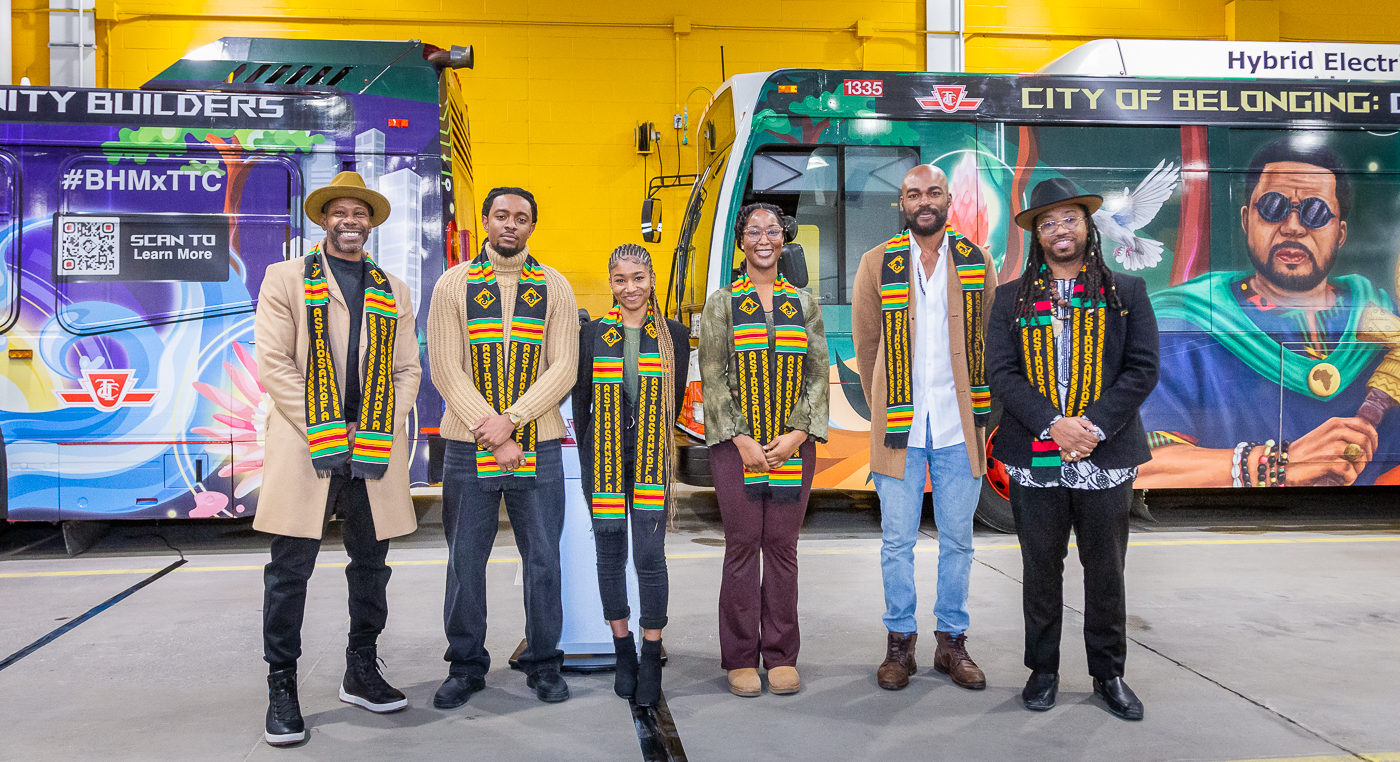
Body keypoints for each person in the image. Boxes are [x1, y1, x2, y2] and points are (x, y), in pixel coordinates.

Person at [253, 171, 422, 746]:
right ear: (324, 219)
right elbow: (274, 364)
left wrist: (376, 425)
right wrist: (328, 426)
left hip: (371, 448)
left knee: (371, 566)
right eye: (339, 212)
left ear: (371, 222)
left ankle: (361, 668)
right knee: (290, 570)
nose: (350, 221)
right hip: (309, 445)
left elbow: (406, 370)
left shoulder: (394, 288)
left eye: (360, 213)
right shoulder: (285, 280)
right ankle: (282, 685)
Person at [986, 178, 1160, 720]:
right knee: (1040, 567)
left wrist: (1093, 427)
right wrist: (1053, 426)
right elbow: (1002, 372)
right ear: (1036, 235)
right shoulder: (1011, 297)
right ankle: (1042, 671)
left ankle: (1108, 674)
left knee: (1105, 568)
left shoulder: (1125, 293)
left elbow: (1142, 370)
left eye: (1069, 218)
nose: (1059, 229)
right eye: (1047, 222)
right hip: (1036, 454)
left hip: (1104, 457)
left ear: (1087, 227)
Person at [1140, 139, 1397, 487]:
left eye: (1315, 212)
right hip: (1231, 532)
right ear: (1247, 221)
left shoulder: (1385, 315)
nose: (1293, 226)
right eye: (1273, 208)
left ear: (1340, 233)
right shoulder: (1183, 321)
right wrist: (1280, 465)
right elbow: (1145, 468)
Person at [427, 186, 579, 707]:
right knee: (464, 561)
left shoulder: (555, 287)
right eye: (500, 216)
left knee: (543, 561)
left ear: (533, 226)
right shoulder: (453, 285)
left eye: (521, 218)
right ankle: (466, 666)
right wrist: (489, 431)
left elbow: (564, 368)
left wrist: (511, 420)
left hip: (540, 442)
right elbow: (446, 367)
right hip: (468, 448)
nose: (510, 224)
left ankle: (544, 662)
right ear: (487, 223)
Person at [851, 164, 998, 692]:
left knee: (958, 540)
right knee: (896, 541)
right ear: (903, 204)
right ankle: (900, 643)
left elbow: (991, 337)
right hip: (900, 430)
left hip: (961, 427)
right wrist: (883, 408)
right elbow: (867, 345)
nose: (923, 202)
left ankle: (951, 643)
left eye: (933, 192)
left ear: (949, 200)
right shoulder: (877, 264)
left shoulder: (976, 262)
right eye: (913, 194)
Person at [699, 202, 829, 698]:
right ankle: (738, 657)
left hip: (793, 445)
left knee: (781, 547)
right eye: (754, 231)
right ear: (742, 241)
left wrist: (797, 435)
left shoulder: (805, 304)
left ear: (784, 239)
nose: (763, 239)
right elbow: (712, 378)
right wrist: (742, 438)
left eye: (772, 230)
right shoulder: (723, 304)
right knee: (741, 547)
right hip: (737, 449)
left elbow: (818, 375)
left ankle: (780, 654)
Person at [572, 244, 690, 707]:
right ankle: (622, 649)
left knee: (649, 555)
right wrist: (594, 445)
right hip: (600, 456)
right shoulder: (593, 334)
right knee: (609, 552)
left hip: (651, 460)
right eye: (620, 279)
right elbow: (582, 403)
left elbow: (673, 401)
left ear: (652, 279)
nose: (630, 288)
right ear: (610, 282)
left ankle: (651, 650)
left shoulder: (675, 336)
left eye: (638, 277)